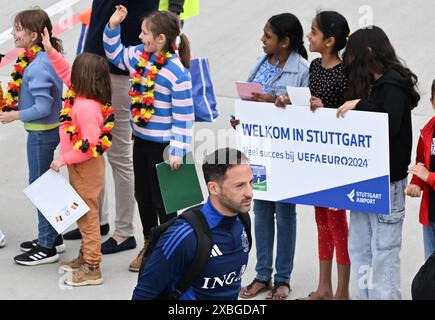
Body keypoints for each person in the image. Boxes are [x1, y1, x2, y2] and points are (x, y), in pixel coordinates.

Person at [103, 7, 194, 271]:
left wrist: (178, 151)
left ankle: (168, 249)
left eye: (145, 33)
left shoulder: (177, 73)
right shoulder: (137, 57)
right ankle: (149, 243)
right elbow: (115, 53)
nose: (140, 37)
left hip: (165, 148)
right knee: (142, 195)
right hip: (140, 140)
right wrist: (112, 25)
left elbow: (184, 117)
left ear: (161, 38)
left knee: (165, 201)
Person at [337, 26, 420, 300]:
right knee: (360, 248)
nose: (351, 62)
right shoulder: (374, 84)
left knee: (383, 252)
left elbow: (389, 123)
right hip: (365, 179)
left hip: (388, 183)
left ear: (369, 53)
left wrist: (359, 105)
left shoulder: (394, 84)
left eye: (354, 56)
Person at [237, 13, 309, 300]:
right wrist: (239, 117)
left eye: (268, 36)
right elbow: (248, 96)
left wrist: (273, 104)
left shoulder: (301, 69)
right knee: (262, 210)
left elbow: (306, 114)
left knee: (285, 213)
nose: (262, 40)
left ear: (285, 41)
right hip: (260, 150)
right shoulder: (261, 61)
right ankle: (262, 275)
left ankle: (282, 279)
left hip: (285, 154)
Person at [41, 28, 113, 286]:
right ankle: (85, 255)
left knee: (87, 215)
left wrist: (64, 159)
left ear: (83, 78)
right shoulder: (81, 94)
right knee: (84, 212)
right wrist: (50, 50)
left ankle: (93, 267)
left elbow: (91, 145)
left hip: (85, 166)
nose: (70, 74)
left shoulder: (86, 107)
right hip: (81, 167)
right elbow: (64, 71)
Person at [132, 148, 253, 300]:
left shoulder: (243, 220)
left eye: (251, 182)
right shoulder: (185, 235)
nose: (250, 192)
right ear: (213, 188)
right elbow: (144, 293)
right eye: (239, 185)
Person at [0, 8, 64, 266]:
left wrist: (15, 115)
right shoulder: (40, 58)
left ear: (34, 35)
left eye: (17, 29)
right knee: (45, 184)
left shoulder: (36, 67)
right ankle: (53, 236)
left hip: (41, 135)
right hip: (44, 132)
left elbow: (43, 107)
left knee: (41, 187)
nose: (13, 33)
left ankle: (47, 245)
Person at [298, 11, 351, 300]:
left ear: (329, 41)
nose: (309, 36)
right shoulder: (315, 66)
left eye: (314, 32)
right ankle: (324, 286)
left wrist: (326, 108)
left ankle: (342, 290)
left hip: (337, 158)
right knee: (320, 222)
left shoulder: (345, 72)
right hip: (315, 157)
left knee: (336, 223)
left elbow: (350, 115)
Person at [405, 79, 435, 261]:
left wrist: (428, 177)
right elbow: (421, 161)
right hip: (430, 217)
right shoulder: (428, 129)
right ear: (432, 102)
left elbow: (426, 172)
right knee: (430, 275)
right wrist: (417, 182)